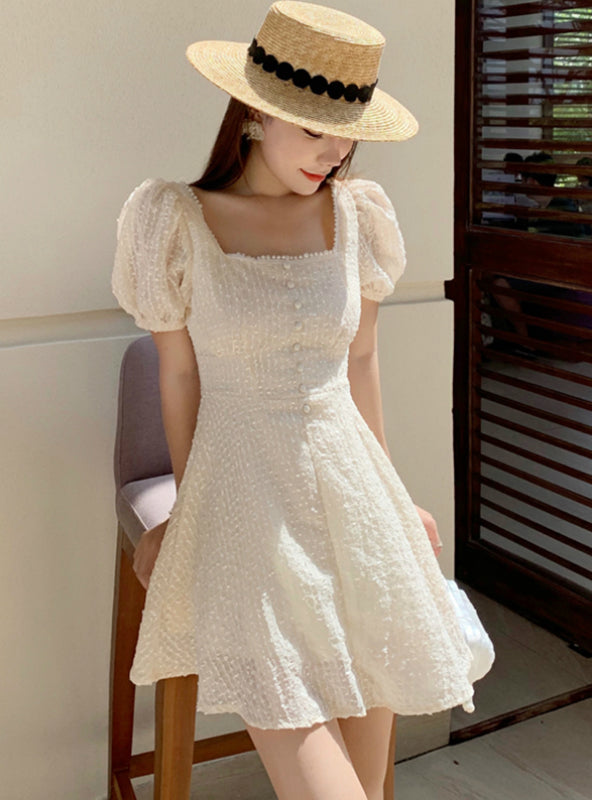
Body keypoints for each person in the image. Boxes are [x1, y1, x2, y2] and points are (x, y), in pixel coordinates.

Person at [111, 3, 484, 798]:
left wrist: (396, 499)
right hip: (245, 496)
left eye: (347, 133)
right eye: (316, 130)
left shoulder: (357, 214)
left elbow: (361, 361)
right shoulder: (174, 220)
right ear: (254, 112)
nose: (335, 152)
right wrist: (193, 512)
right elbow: (180, 377)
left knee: (370, 779)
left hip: (352, 493)